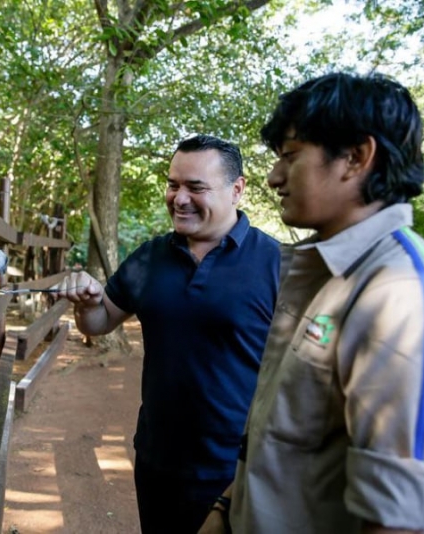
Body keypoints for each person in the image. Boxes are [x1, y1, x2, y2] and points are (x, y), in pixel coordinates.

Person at [198, 72, 424, 534]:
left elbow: (401, 523)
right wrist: (225, 510)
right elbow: (288, 441)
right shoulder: (328, 274)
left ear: (356, 157)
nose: (274, 177)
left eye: (290, 156)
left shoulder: (404, 299)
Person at [54, 134, 281, 533]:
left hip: (238, 472)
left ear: (237, 190)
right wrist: (87, 305)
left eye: (196, 187)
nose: (179, 198)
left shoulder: (276, 263)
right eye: (173, 184)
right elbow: (99, 323)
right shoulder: (150, 257)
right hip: (157, 463)